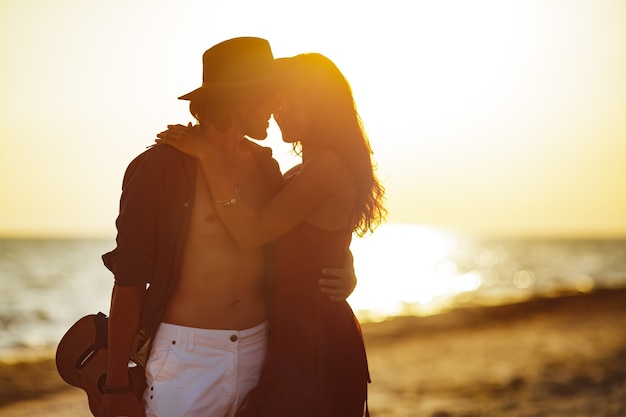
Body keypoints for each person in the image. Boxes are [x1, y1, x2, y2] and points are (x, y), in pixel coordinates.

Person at [99, 37, 357, 417]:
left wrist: (344, 264)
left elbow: (300, 231)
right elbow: (129, 277)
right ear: (242, 97)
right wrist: (116, 381)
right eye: (270, 96)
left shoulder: (265, 167)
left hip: (263, 350)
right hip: (187, 356)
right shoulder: (161, 167)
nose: (277, 106)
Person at [157, 52, 386, 417]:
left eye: (295, 105)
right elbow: (315, 242)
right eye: (278, 102)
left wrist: (208, 156)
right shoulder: (302, 168)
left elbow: (252, 233)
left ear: (324, 109)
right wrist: (345, 261)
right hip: (288, 335)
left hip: (314, 340)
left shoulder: (326, 165)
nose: (280, 112)